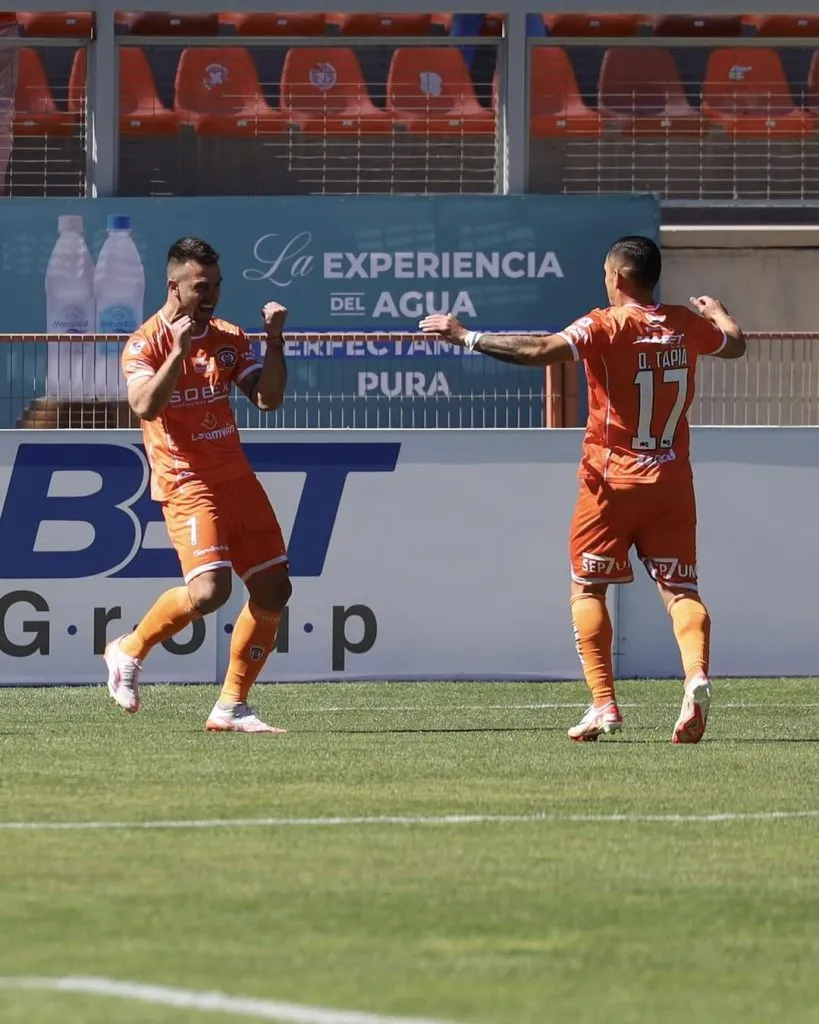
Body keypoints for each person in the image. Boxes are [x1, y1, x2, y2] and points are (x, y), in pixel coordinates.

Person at [420, 235, 746, 744]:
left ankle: (604, 704)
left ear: (618, 277)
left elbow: (539, 351)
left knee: (588, 588)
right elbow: (735, 344)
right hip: (671, 482)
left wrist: (465, 336)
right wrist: (719, 312)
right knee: (681, 590)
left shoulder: (604, 324)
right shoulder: (685, 324)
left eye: (606, 273)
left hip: (610, 483)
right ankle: (696, 675)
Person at [104, 236, 292, 734]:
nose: (211, 296)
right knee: (209, 592)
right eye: (201, 287)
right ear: (175, 286)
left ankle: (231, 707)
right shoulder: (145, 342)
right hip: (186, 482)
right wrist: (178, 354)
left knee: (274, 589)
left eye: (216, 286)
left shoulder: (229, 337)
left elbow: (268, 400)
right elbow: (144, 405)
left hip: (236, 478)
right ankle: (128, 649)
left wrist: (274, 341)